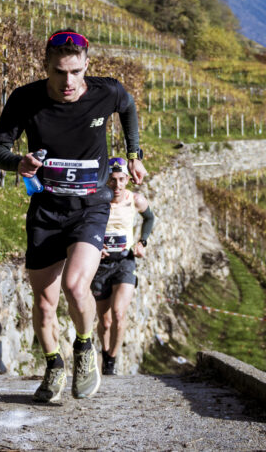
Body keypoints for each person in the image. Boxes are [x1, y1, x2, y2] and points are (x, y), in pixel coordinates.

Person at [0, 29, 146, 404]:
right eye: (59, 72)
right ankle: (53, 366)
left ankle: (84, 348)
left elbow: (128, 107)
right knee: (44, 303)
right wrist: (18, 163)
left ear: (86, 65)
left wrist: (134, 152)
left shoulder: (107, 92)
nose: (68, 82)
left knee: (76, 287)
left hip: (90, 207)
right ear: (46, 66)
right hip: (45, 210)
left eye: (76, 71)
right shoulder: (24, 99)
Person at [91, 158, 155, 375]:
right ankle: (105, 350)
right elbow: (83, 225)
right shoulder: (97, 201)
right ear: (105, 180)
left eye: (121, 180)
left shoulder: (135, 199)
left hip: (125, 261)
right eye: (112, 180)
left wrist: (142, 241)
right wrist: (94, 245)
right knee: (105, 321)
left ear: (128, 179)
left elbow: (149, 218)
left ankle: (112, 359)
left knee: (118, 313)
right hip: (100, 265)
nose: (117, 186)